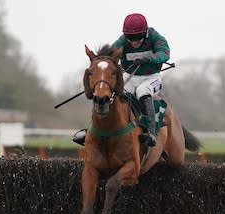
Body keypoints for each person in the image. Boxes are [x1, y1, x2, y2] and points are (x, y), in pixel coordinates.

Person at [73, 13, 170, 147]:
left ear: (145, 33)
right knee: (108, 93)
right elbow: (109, 56)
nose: (134, 42)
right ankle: (92, 130)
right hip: (130, 75)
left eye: (138, 38)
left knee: (143, 91)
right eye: (131, 38)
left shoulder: (155, 37)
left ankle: (151, 132)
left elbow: (165, 53)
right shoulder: (123, 40)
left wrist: (149, 59)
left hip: (151, 77)